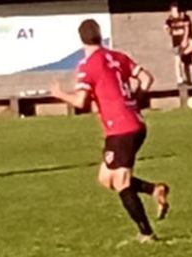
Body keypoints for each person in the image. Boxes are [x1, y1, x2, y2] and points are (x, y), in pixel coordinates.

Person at [49, 20, 169, 243]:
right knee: (106, 178)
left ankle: (147, 233)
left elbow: (81, 102)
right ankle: (154, 189)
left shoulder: (88, 65)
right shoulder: (118, 57)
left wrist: (59, 94)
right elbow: (147, 79)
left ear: (81, 39)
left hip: (121, 128)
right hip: (133, 124)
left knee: (121, 182)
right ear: (99, 35)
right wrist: (134, 101)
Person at [164, 2, 192, 85]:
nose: (175, 13)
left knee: (186, 61)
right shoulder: (169, 20)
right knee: (177, 60)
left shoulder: (184, 17)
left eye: (176, 10)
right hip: (176, 42)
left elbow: (187, 29)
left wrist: (185, 39)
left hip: (184, 41)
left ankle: (189, 79)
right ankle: (179, 80)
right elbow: (168, 29)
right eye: (173, 11)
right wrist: (169, 30)